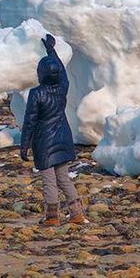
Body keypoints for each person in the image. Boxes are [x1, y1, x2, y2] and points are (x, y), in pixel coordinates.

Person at [20, 34, 86, 226]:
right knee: (63, 177)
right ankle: (77, 214)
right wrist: (51, 50)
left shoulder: (36, 93)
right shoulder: (62, 87)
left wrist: (24, 145)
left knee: (49, 180)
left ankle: (52, 217)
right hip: (63, 137)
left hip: (44, 141)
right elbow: (62, 72)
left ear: (41, 74)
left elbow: (30, 121)